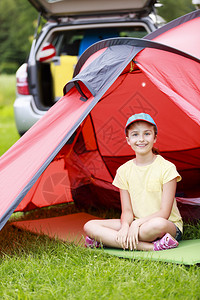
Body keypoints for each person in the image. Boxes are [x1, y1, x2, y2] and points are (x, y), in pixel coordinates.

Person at [84, 113, 183, 251]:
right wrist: (126, 226)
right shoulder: (123, 170)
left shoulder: (167, 168)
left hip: (165, 225)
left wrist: (135, 225)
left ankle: (106, 240)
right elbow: (127, 211)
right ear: (128, 140)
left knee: (157, 225)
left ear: (155, 138)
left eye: (147, 134)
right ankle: (149, 247)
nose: (141, 139)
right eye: (135, 135)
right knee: (89, 226)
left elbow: (164, 213)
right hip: (135, 223)